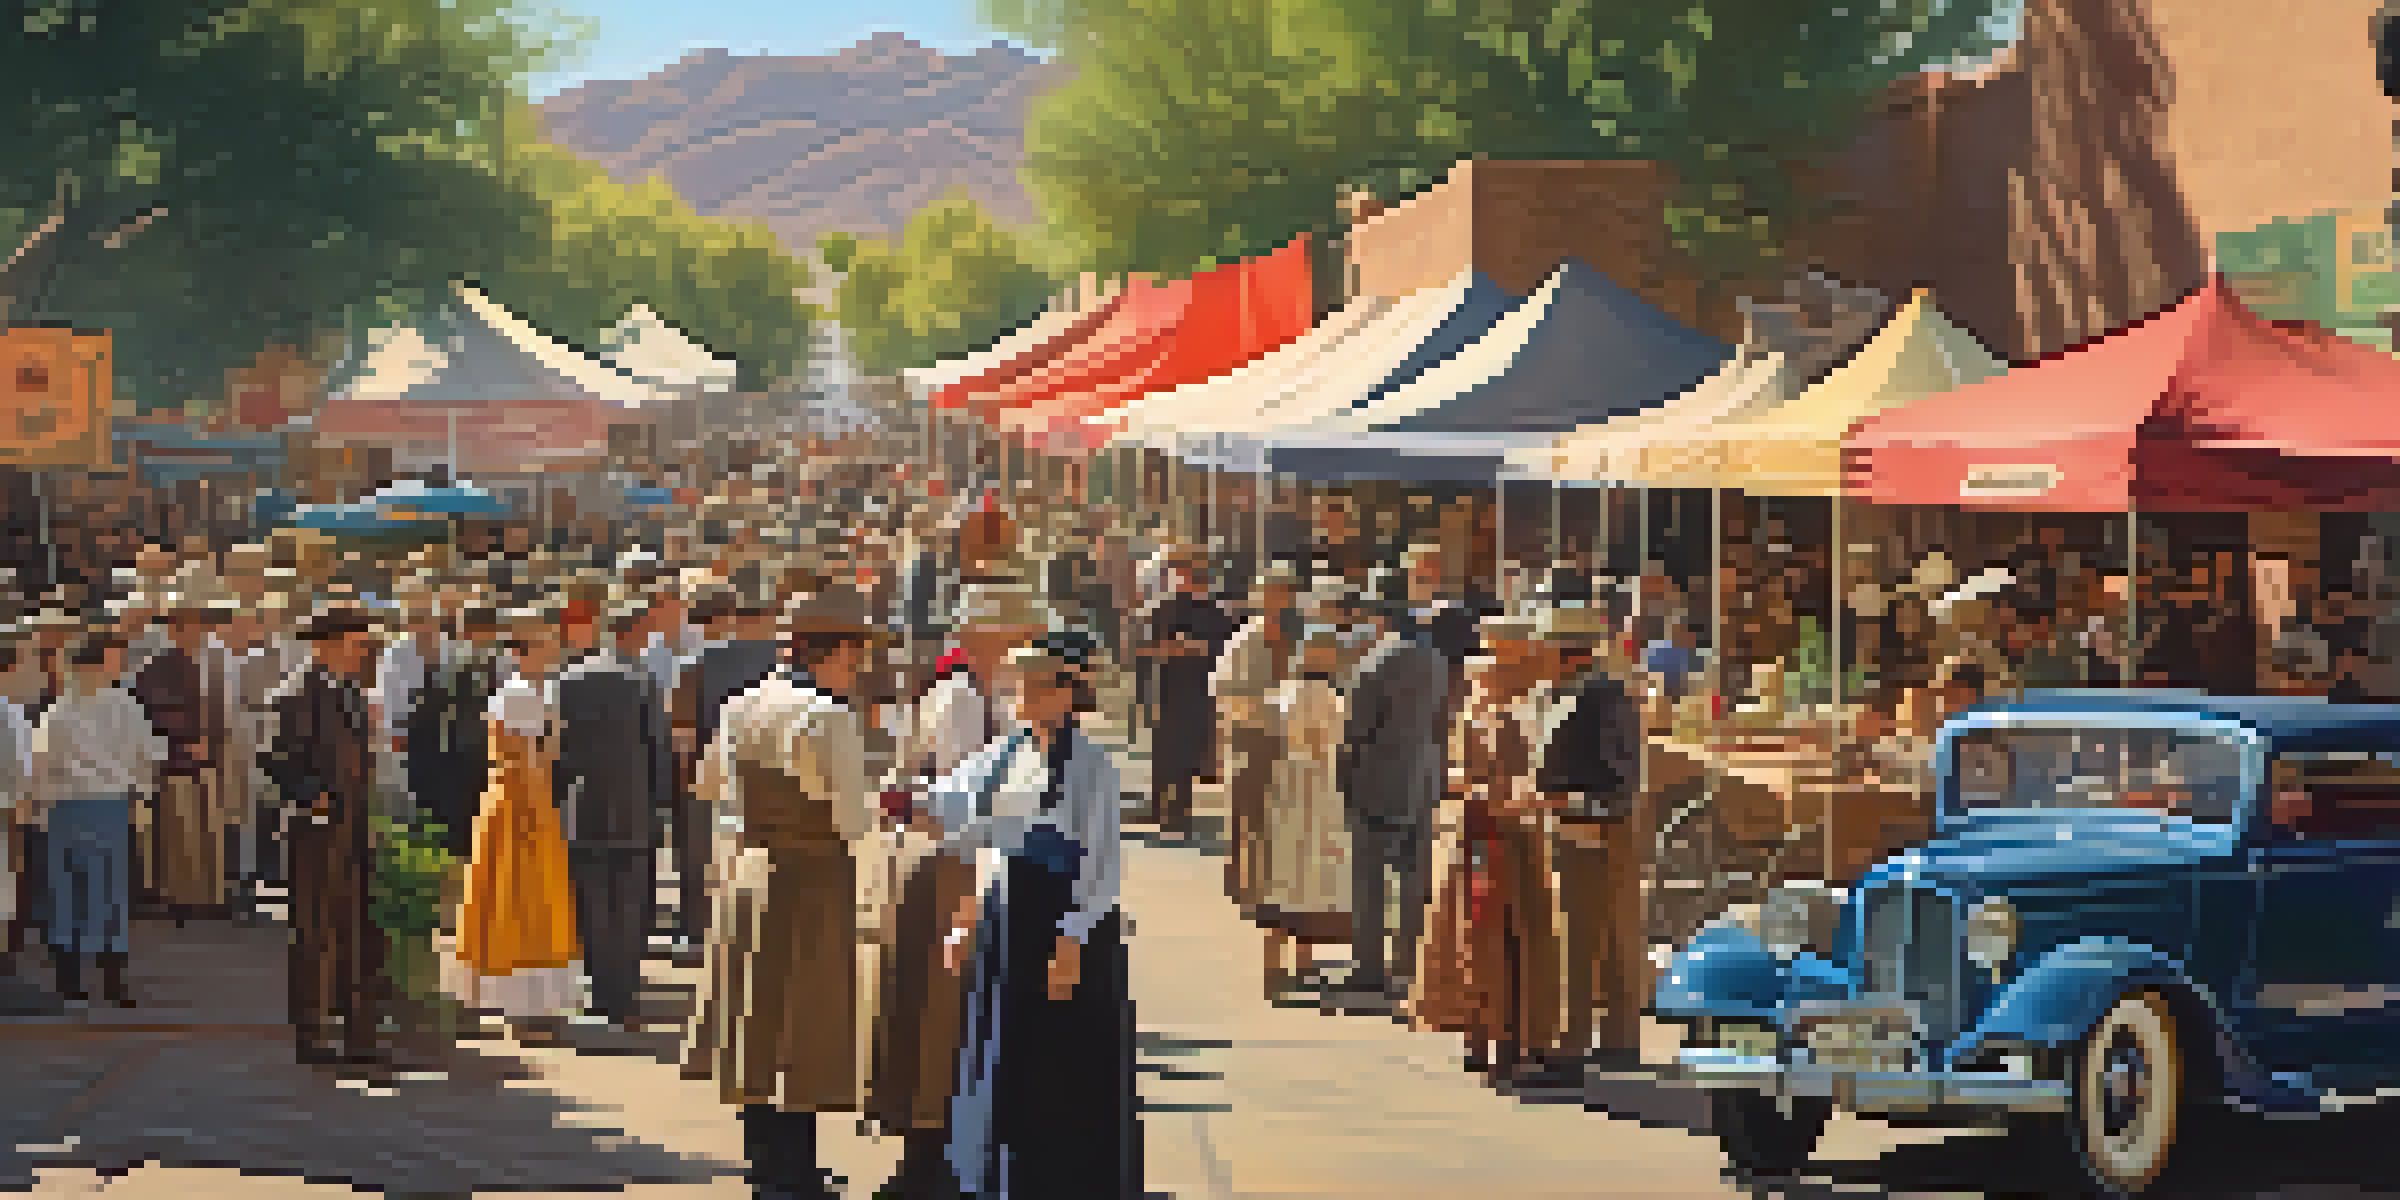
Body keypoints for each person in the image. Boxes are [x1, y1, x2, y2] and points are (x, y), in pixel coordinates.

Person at [682, 588, 892, 1200]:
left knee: (755, 1022)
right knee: (804, 1028)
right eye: (857, 651)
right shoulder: (827, 716)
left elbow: (707, 784)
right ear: (836, 650)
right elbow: (853, 816)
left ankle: (765, 1164)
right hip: (812, 877)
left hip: (750, 870)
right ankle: (793, 1173)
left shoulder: (740, 702)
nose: (860, 665)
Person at [934, 631, 1139, 1198]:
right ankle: (999, 1178)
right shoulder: (1003, 754)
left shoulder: (1091, 766)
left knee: (1059, 1062)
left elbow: (1101, 864)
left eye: (1041, 684)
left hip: (1061, 922)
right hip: (1006, 918)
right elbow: (981, 840)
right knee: (1000, 1052)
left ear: (1072, 692)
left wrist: (1070, 941)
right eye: (1020, 683)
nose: (1025, 694)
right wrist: (966, 918)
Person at [1411, 615, 1560, 1081]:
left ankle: (1514, 1038)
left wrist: (1512, 796)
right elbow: (1454, 768)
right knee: (1473, 937)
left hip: (1515, 841)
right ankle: (1479, 1034)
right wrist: (1472, 790)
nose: (1488, 672)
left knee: (1514, 938)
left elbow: (1539, 778)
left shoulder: (1534, 711)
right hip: (1478, 836)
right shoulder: (1477, 710)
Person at [449, 606, 585, 1037]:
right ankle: (525, 1006)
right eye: (546, 643)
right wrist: (536, 810)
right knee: (524, 900)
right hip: (523, 803)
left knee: (516, 898)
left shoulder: (523, 690)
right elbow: (527, 757)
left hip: (517, 799)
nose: (555, 649)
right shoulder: (524, 692)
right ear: (525, 649)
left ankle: (521, 1002)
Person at [262, 607, 385, 1065]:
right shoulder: (296, 692)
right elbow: (276, 757)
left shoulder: (351, 692)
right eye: (357, 643)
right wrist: (313, 796)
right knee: (313, 930)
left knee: (356, 927)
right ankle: (312, 1034)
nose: (364, 652)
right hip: (315, 829)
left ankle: (359, 1034)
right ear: (328, 644)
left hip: (352, 823)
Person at [1532, 606, 1648, 1076]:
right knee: (1593, 933)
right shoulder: (1581, 692)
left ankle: (1576, 1041)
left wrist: (1590, 813)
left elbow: (1619, 770)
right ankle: (1611, 1039)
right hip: (1582, 820)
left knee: (1585, 935)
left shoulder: (1602, 695)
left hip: (1595, 825)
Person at [552, 601, 672, 1030]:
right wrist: (662, 805)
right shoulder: (643, 681)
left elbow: (558, 750)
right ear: (634, 634)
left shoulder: (566, 680)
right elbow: (659, 748)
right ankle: (623, 997)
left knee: (589, 905)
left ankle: (596, 992)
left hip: (582, 808)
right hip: (633, 809)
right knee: (629, 906)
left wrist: (556, 799)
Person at [28, 630, 164, 1008]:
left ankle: (70, 985)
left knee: (66, 893)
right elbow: (148, 755)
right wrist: (141, 797)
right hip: (111, 807)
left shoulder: (58, 710)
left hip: (66, 808)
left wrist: (38, 807)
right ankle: (114, 984)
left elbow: (40, 766)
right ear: (102, 663)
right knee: (110, 894)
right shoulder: (125, 704)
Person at [1329, 588, 1449, 1010]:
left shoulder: (1375, 663)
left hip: (1376, 781)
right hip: (1422, 779)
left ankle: (1368, 969)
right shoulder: (1435, 660)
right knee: (1413, 880)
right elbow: (1441, 722)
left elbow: (1356, 731)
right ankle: (1408, 965)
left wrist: (1343, 778)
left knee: (1368, 881)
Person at [1255, 625, 1352, 1002]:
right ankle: (1301, 962)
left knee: (1281, 880)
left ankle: (1276, 966)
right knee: (1309, 881)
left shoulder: (1282, 695)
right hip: (1320, 790)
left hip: (1285, 789)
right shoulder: (1333, 699)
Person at [132, 590, 233, 924]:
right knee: (179, 832)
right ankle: (178, 899)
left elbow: (220, 713)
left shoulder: (213, 663)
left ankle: (206, 897)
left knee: (207, 832)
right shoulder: (155, 668)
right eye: (188, 625)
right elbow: (152, 715)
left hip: (208, 761)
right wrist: (185, 743)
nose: (196, 631)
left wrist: (213, 745)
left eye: (200, 625)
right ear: (173, 629)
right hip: (175, 762)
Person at [1213, 559, 1299, 907]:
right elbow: (1222, 691)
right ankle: (1238, 880)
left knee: (1281, 813)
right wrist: (1270, 702)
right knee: (1245, 811)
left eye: (1285, 592)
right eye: (1273, 592)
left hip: (1290, 739)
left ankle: (1272, 882)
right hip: (1252, 735)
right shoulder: (1244, 639)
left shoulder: (1302, 636)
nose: (1279, 599)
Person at [1139, 550, 1235, 842]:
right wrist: (1171, 649)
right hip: (1167, 688)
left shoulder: (1217, 613)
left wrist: (1191, 648)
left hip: (1199, 690)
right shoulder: (1164, 608)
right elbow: (1147, 648)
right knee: (1163, 750)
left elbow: (1222, 651)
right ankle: (1158, 808)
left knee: (1186, 752)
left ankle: (1179, 813)